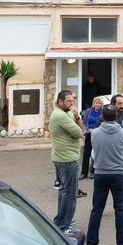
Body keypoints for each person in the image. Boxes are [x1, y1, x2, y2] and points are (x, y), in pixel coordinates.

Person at [85, 105, 123, 245]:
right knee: (120, 209)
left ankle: (91, 244)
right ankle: (122, 243)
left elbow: (94, 150)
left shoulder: (95, 133)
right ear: (115, 115)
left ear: (103, 116)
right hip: (118, 173)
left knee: (97, 209)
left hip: (100, 173)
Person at [51, 90, 85, 231]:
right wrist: (77, 120)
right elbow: (79, 132)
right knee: (70, 194)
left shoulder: (67, 113)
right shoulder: (60, 116)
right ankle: (64, 225)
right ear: (60, 102)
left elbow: (79, 124)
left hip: (62, 157)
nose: (72, 104)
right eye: (68, 101)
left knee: (64, 191)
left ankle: (60, 221)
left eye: (73, 101)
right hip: (67, 159)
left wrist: (77, 115)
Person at [81, 97, 104, 180]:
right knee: (86, 153)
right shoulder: (88, 111)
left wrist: (94, 130)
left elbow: (104, 124)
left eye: (100, 103)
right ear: (93, 104)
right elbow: (84, 122)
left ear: (102, 104)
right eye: (96, 103)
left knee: (97, 154)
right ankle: (84, 173)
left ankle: (95, 172)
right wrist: (86, 130)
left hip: (98, 135)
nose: (98, 104)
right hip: (89, 134)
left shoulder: (103, 113)